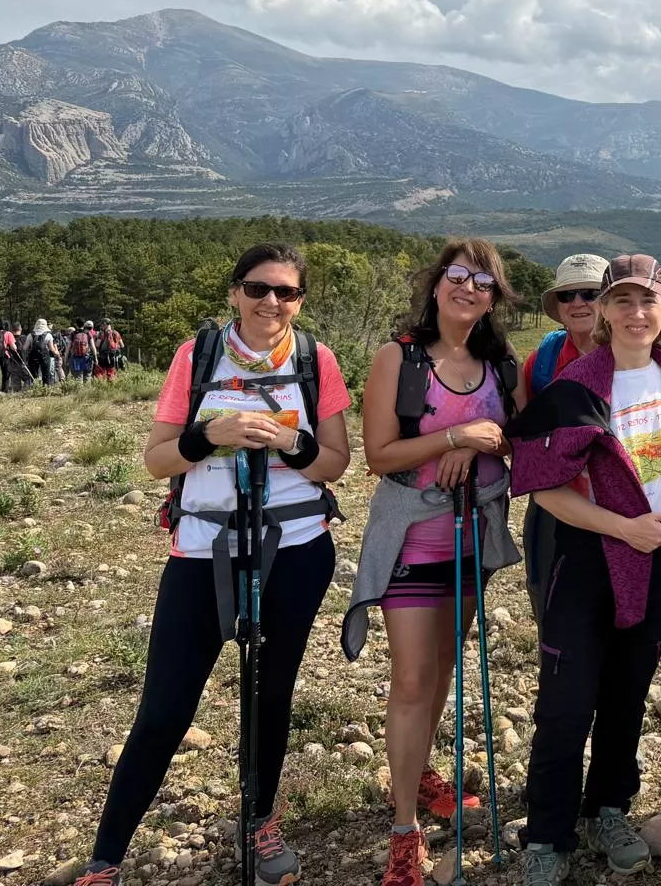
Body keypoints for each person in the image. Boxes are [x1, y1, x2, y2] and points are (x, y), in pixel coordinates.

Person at [74, 243, 353, 886]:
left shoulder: (316, 360)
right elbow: (158, 460)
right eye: (258, 289)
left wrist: (289, 441)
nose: (272, 303)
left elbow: (335, 462)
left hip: (297, 545)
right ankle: (106, 858)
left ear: (300, 300)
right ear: (234, 293)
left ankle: (258, 821)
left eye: (286, 292)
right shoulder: (196, 356)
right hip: (203, 550)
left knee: (270, 694)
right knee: (166, 709)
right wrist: (212, 435)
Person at [512, 253, 661, 885]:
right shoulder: (577, 387)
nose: (636, 313)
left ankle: (608, 807)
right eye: (621, 301)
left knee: (628, 693)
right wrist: (623, 528)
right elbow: (543, 486)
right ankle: (547, 832)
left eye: (647, 301)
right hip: (589, 556)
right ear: (601, 311)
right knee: (568, 700)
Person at [356, 239, 518, 886]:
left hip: (471, 540)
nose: (468, 287)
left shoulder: (501, 364)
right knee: (414, 680)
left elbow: (517, 439)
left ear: (493, 297)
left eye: (482, 280)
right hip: (412, 542)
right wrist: (452, 436)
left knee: (444, 669)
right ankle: (404, 830)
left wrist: (485, 440)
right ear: (437, 284)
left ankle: (418, 770)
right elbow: (379, 455)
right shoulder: (400, 357)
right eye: (458, 275)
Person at [514, 253, 609, 410]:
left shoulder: (630, 358)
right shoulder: (542, 361)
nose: (577, 303)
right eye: (567, 295)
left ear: (608, 301)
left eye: (590, 293)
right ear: (558, 305)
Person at [31, 319, 60, 386]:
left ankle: (35, 387)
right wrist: (56, 352)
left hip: (33, 357)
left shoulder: (31, 335)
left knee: (35, 373)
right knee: (45, 373)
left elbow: (25, 347)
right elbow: (52, 349)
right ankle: (45, 387)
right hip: (45, 356)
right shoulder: (48, 335)